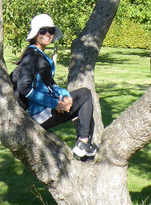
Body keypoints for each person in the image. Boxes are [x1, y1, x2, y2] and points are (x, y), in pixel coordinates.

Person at [13, 13, 97, 159]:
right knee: (85, 94)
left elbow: (50, 84)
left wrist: (64, 95)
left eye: (51, 31)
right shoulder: (32, 55)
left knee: (83, 102)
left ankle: (83, 147)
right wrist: (54, 103)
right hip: (40, 114)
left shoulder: (39, 54)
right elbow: (24, 87)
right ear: (35, 34)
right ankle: (83, 144)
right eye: (43, 31)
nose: (48, 34)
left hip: (46, 110)